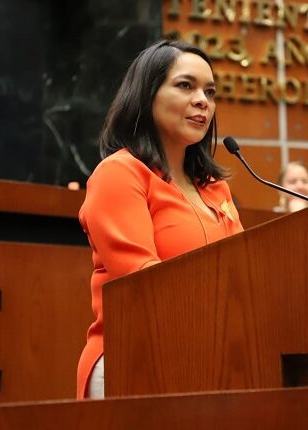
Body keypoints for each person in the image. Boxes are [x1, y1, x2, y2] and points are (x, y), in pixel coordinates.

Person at [76, 40, 244, 399]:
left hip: (208, 358)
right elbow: (144, 281)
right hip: (134, 360)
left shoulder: (215, 188)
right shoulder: (120, 174)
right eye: (185, 85)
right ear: (147, 95)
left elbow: (243, 276)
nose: (202, 101)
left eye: (210, 92)